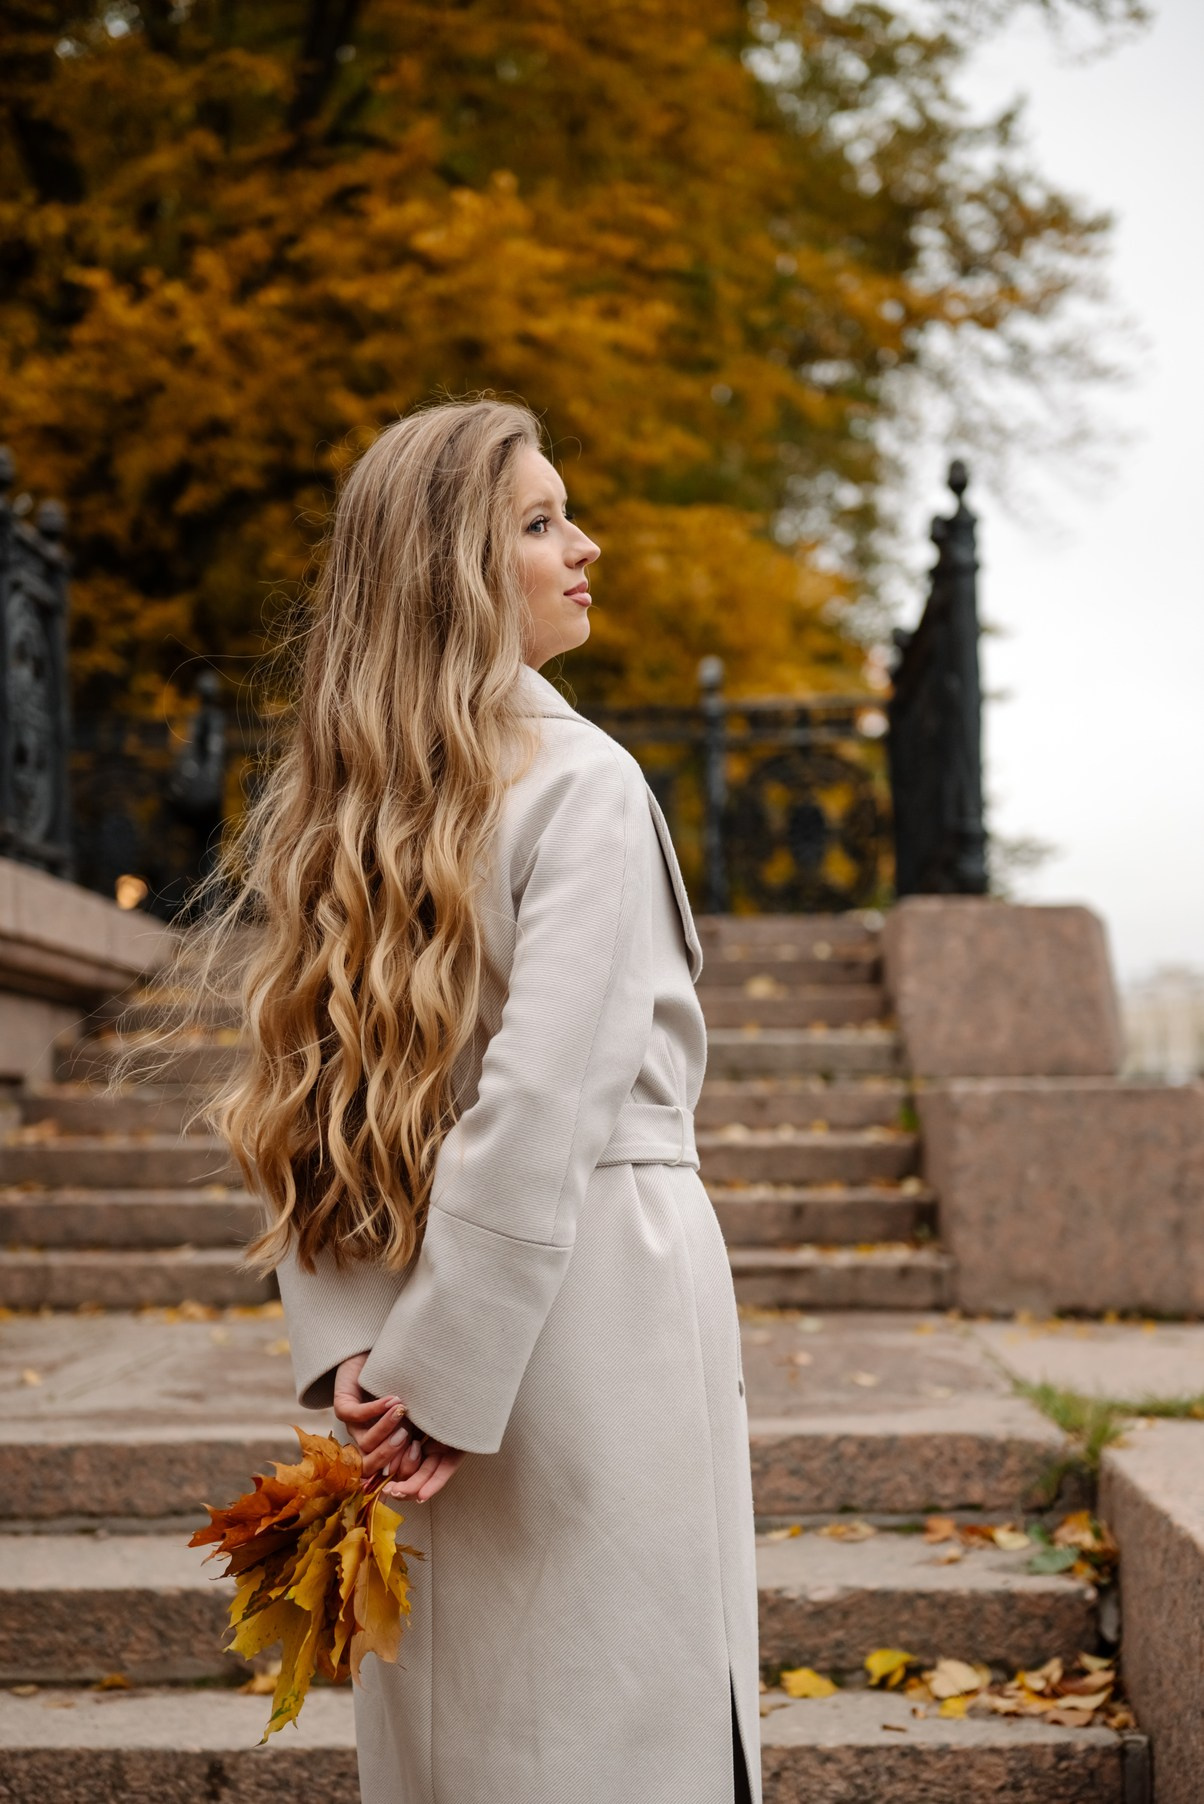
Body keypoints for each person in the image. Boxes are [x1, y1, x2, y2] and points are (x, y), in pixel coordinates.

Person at [211, 397, 761, 1802]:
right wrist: (441, 1383)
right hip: (587, 1297)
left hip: (419, 1313)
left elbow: (313, 1085)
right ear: (455, 569)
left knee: (475, 1731)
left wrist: (360, 1353)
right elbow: (542, 1104)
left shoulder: (350, 794)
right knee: (613, 1720)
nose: (585, 545)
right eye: (539, 522)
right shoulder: (583, 781)